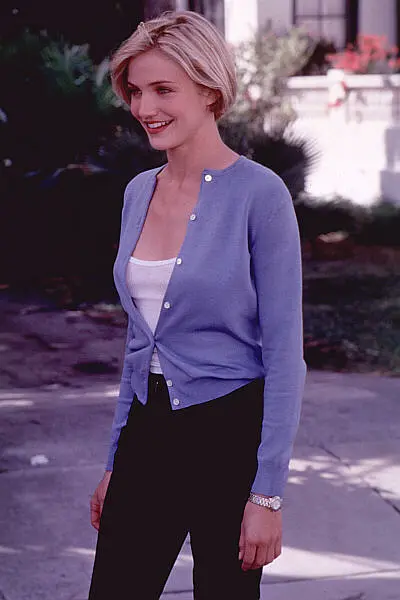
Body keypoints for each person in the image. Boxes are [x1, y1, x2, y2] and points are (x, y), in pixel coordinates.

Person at [88, 10, 306, 600]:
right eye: (136, 91)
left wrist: (267, 494)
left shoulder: (260, 195)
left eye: (164, 89)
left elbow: (285, 355)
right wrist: (116, 461)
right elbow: (138, 343)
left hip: (229, 434)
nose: (144, 107)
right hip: (147, 429)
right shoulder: (138, 192)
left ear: (210, 90)